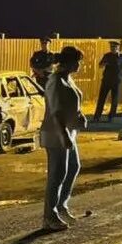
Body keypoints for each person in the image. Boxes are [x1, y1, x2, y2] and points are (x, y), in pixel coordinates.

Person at [40, 46, 87, 231]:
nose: (79, 65)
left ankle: (61, 205)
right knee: (57, 174)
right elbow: (56, 112)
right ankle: (49, 216)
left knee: (73, 168)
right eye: (77, 61)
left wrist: (79, 116)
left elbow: (71, 104)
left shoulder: (68, 79)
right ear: (69, 62)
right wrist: (64, 135)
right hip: (56, 133)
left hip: (68, 132)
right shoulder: (56, 81)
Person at [94, 41, 122, 122]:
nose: (112, 49)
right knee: (101, 98)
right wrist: (104, 64)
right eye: (111, 47)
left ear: (118, 48)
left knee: (114, 99)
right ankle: (97, 117)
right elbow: (100, 65)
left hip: (116, 81)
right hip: (106, 80)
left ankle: (111, 117)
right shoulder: (107, 55)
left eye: (114, 47)